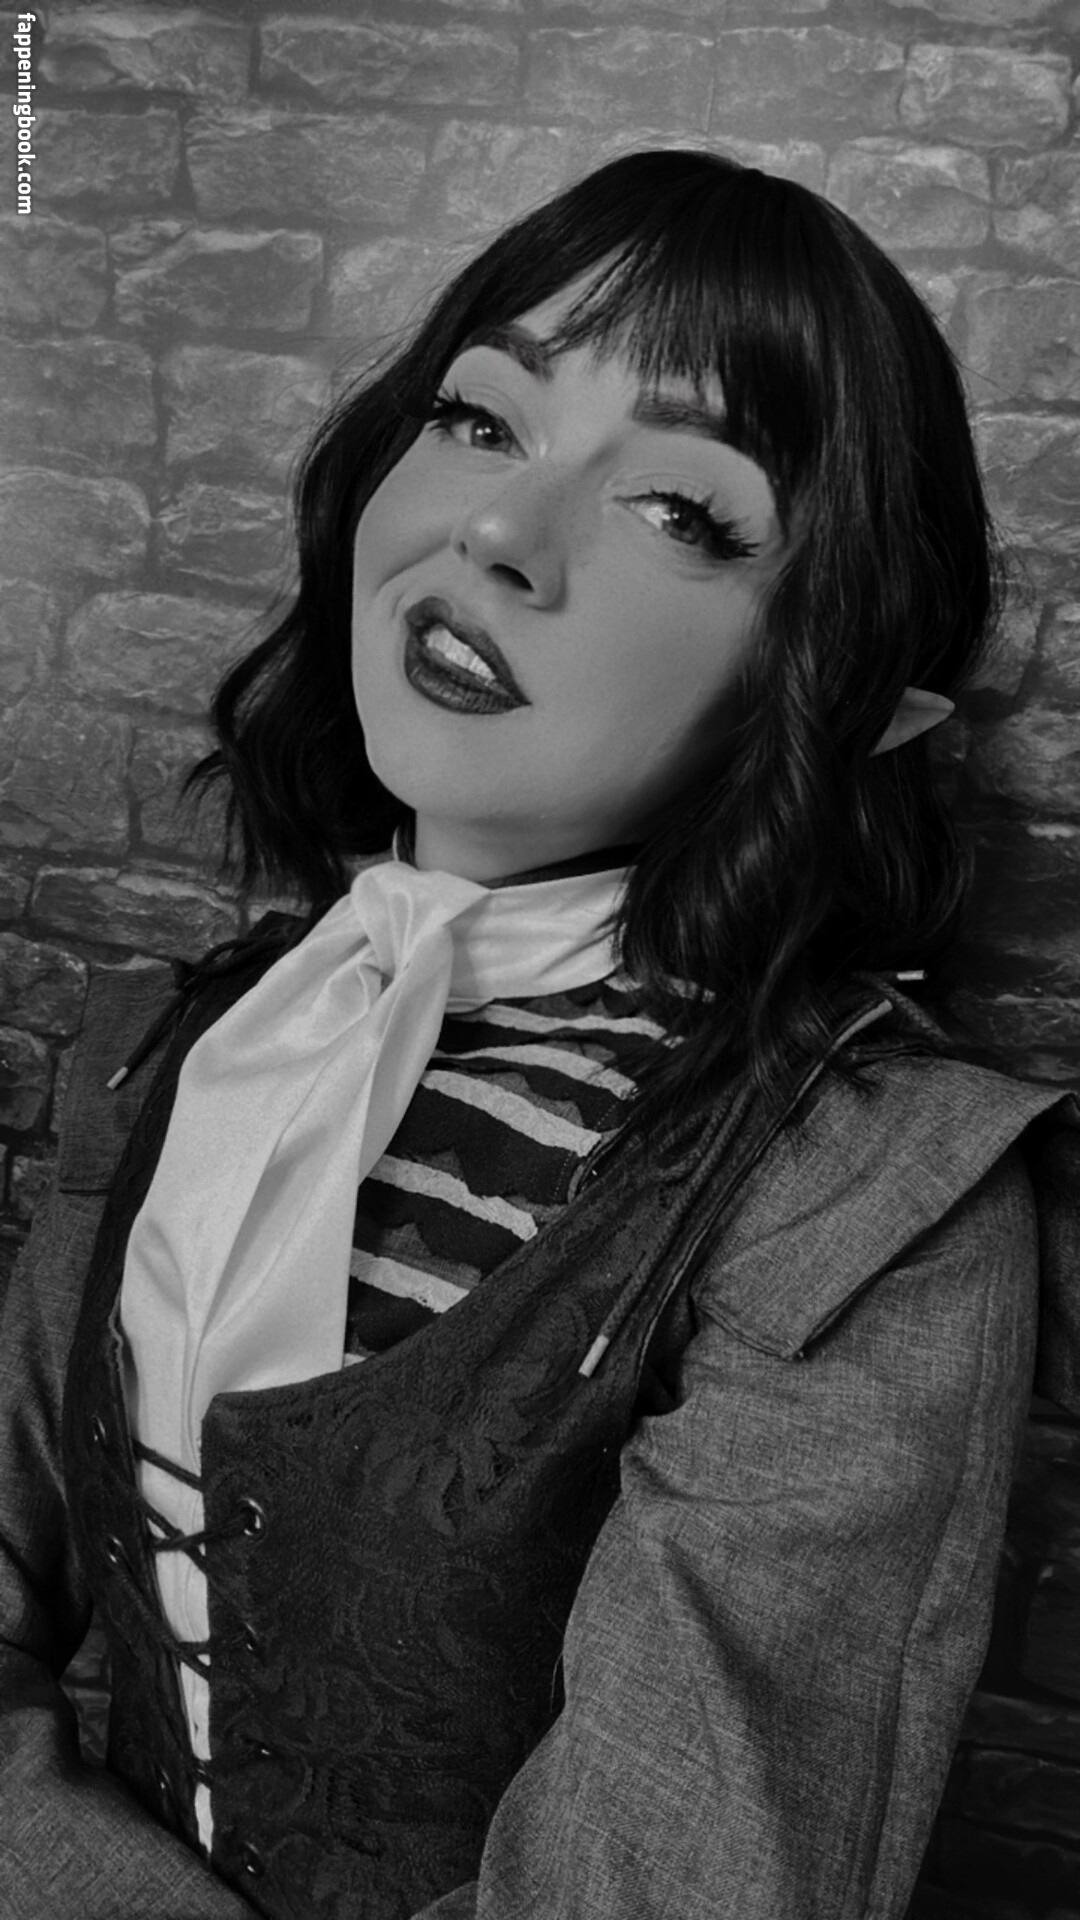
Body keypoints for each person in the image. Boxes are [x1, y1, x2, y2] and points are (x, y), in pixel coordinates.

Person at [1, 148, 1077, 1920]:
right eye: (482, 419)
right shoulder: (204, 1037)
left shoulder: (867, 1199)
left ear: (843, 687)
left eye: (683, 510)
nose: (498, 529)